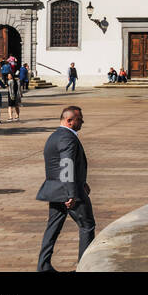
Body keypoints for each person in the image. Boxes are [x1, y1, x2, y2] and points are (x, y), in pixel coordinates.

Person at [35, 106, 94, 272]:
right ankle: (85, 266)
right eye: (79, 119)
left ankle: (43, 265)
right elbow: (66, 164)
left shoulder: (54, 136)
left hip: (55, 190)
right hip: (69, 192)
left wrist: (82, 181)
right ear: (69, 120)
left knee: (53, 227)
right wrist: (71, 193)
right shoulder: (68, 138)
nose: (82, 122)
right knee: (87, 226)